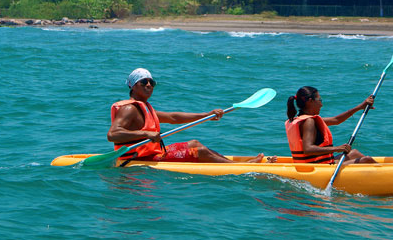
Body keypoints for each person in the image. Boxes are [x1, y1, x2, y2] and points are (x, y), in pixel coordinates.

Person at [107, 68, 264, 166]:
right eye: (143, 82)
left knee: (194, 143)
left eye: (152, 82)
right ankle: (238, 168)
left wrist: (207, 115)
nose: (149, 85)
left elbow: (174, 117)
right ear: (133, 86)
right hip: (140, 159)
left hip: (154, 153)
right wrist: (145, 134)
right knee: (199, 151)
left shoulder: (145, 107)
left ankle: (231, 164)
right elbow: (112, 134)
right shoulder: (129, 108)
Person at [285, 86, 376, 165]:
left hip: (314, 163)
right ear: (310, 101)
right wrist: (336, 148)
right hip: (316, 166)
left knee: (355, 153)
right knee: (366, 160)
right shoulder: (309, 121)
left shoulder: (301, 119)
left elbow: (336, 120)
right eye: (319, 100)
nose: (321, 104)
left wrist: (360, 107)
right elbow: (308, 149)